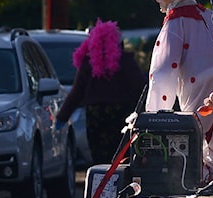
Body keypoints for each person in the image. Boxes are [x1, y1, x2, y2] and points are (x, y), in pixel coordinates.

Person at [148, 0, 213, 180]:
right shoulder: (207, 14)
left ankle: (204, 174)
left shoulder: (175, 22)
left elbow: (163, 71)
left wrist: (155, 116)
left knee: (194, 134)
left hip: (199, 84)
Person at [55, 20, 146, 164]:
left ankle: (103, 184)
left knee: (101, 160)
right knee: (123, 157)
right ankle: (120, 184)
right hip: (122, 115)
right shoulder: (126, 61)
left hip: (96, 116)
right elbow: (140, 89)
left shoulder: (88, 63)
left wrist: (62, 117)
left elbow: (76, 93)